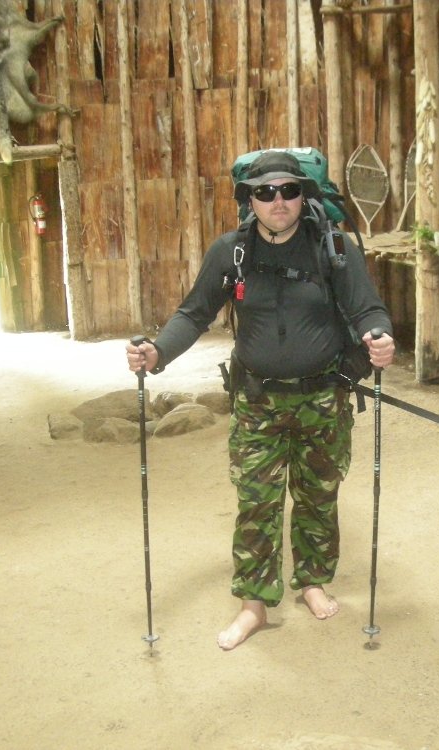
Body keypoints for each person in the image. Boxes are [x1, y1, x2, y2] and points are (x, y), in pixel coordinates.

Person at [126, 151, 395, 651]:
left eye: (289, 190)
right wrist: (157, 351)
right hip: (257, 402)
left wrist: (378, 336)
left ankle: (312, 581)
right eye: (266, 192)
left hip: (323, 397)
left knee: (318, 496)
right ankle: (253, 603)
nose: (278, 201)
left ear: (303, 195)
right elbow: (193, 313)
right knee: (257, 504)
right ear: (249, 199)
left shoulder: (333, 248)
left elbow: (367, 308)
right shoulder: (231, 253)